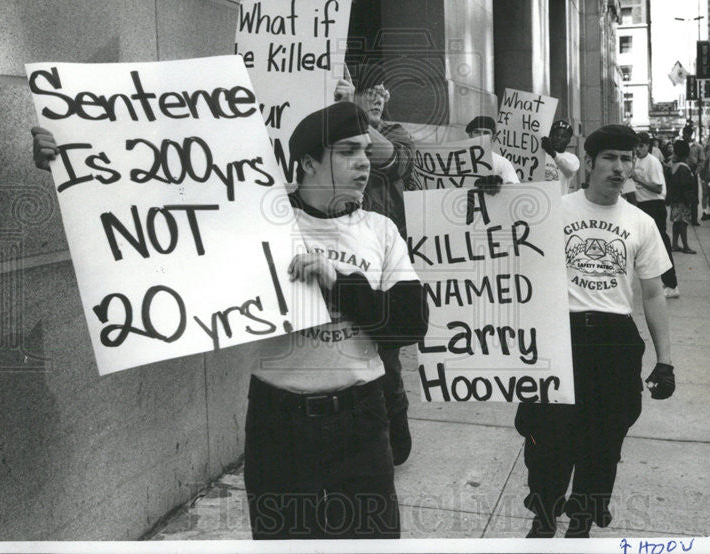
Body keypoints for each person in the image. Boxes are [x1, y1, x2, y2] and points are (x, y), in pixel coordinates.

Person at [33, 102, 429, 539]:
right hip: (282, 424)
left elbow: (410, 324)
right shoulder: (256, 223)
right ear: (309, 162)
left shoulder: (380, 229)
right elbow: (150, 223)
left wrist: (340, 284)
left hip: (362, 420)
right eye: (348, 152)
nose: (364, 163)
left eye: (366, 151)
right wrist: (72, 162)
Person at [514, 124, 675, 539]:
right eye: (610, 158)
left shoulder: (641, 223)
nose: (620, 168)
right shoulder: (555, 209)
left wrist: (666, 360)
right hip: (559, 335)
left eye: (627, 159)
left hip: (614, 340)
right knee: (546, 438)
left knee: (603, 441)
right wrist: (492, 194)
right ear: (589, 163)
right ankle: (544, 513)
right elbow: (505, 246)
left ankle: (583, 516)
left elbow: (654, 294)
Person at [334, 77, 417, 465]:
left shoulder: (394, 132)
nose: (381, 96)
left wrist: (352, 113)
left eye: (385, 90)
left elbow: (393, 160)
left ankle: (395, 437)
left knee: (386, 356)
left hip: (382, 257)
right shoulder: (327, 131)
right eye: (372, 90)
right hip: (337, 253)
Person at [631, 133, 681, 298]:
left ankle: (672, 284)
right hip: (641, 205)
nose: (638, 150)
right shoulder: (636, 160)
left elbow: (659, 188)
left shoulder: (652, 162)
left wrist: (638, 179)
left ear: (648, 146)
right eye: (636, 146)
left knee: (661, 245)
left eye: (641, 146)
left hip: (654, 205)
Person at [466, 115, 520, 184]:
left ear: (493, 137)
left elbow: (514, 189)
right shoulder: (457, 160)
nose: (481, 136)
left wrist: (501, 185)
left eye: (486, 133)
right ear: (470, 135)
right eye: (477, 132)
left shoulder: (502, 163)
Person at [666, 140, 697, 254]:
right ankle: (686, 246)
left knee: (676, 222)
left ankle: (674, 244)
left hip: (675, 199)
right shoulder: (684, 168)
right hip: (683, 200)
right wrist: (690, 200)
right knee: (683, 223)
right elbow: (685, 186)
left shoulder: (673, 165)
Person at [542, 119, 581, 195]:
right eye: (556, 135)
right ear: (550, 136)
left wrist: (553, 154)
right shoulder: (540, 155)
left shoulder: (572, 158)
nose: (559, 138)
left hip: (558, 204)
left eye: (563, 136)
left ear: (568, 141)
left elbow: (570, 168)